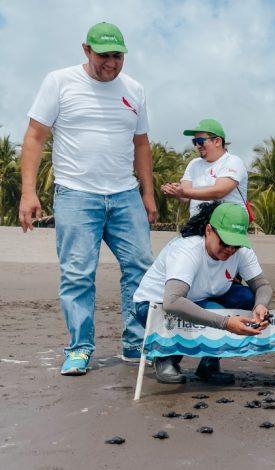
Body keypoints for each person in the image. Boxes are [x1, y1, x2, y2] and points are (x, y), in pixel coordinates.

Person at [18, 22, 156, 375]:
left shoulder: (135, 90)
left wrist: (147, 193)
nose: (111, 63)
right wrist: (28, 192)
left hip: (125, 194)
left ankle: (135, 344)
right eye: (103, 55)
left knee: (140, 268)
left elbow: (141, 144)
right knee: (78, 274)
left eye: (117, 55)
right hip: (76, 194)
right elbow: (34, 138)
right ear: (86, 50)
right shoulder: (59, 82)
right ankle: (79, 348)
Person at [133, 202, 273, 385]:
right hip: (154, 305)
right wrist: (225, 323)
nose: (230, 250)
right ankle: (166, 356)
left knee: (248, 298)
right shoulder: (187, 249)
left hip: (199, 296)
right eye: (224, 243)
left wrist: (260, 305)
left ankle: (209, 363)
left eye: (236, 246)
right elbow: (172, 301)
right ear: (208, 231)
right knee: (216, 311)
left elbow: (262, 285)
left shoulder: (241, 251)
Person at [161, 119, 250, 218]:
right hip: (197, 225)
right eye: (195, 142)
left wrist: (184, 192)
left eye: (200, 141)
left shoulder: (233, 161)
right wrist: (175, 191)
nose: (198, 145)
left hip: (227, 226)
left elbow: (219, 192)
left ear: (217, 141)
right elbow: (185, 196)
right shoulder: (193, 164)